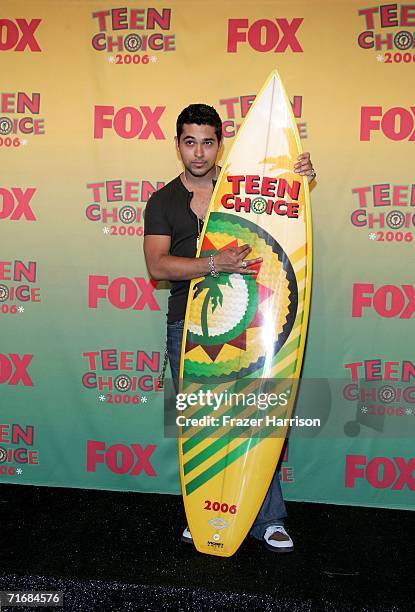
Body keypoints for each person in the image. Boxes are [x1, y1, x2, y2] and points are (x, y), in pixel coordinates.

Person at [143, 103, 316, 553]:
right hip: (188, 327)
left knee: (259, 418)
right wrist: (213, 263)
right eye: (189, 141)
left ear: (221, 144)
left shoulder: (242, 187)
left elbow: (283, 212)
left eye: (207, 141)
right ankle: (203, 511)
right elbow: (157, 265)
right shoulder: (162, 201)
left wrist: (298, 179)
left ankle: (270, 518)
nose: (198, 152)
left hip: (255, 323)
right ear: (177, 144)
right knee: (201, 423)